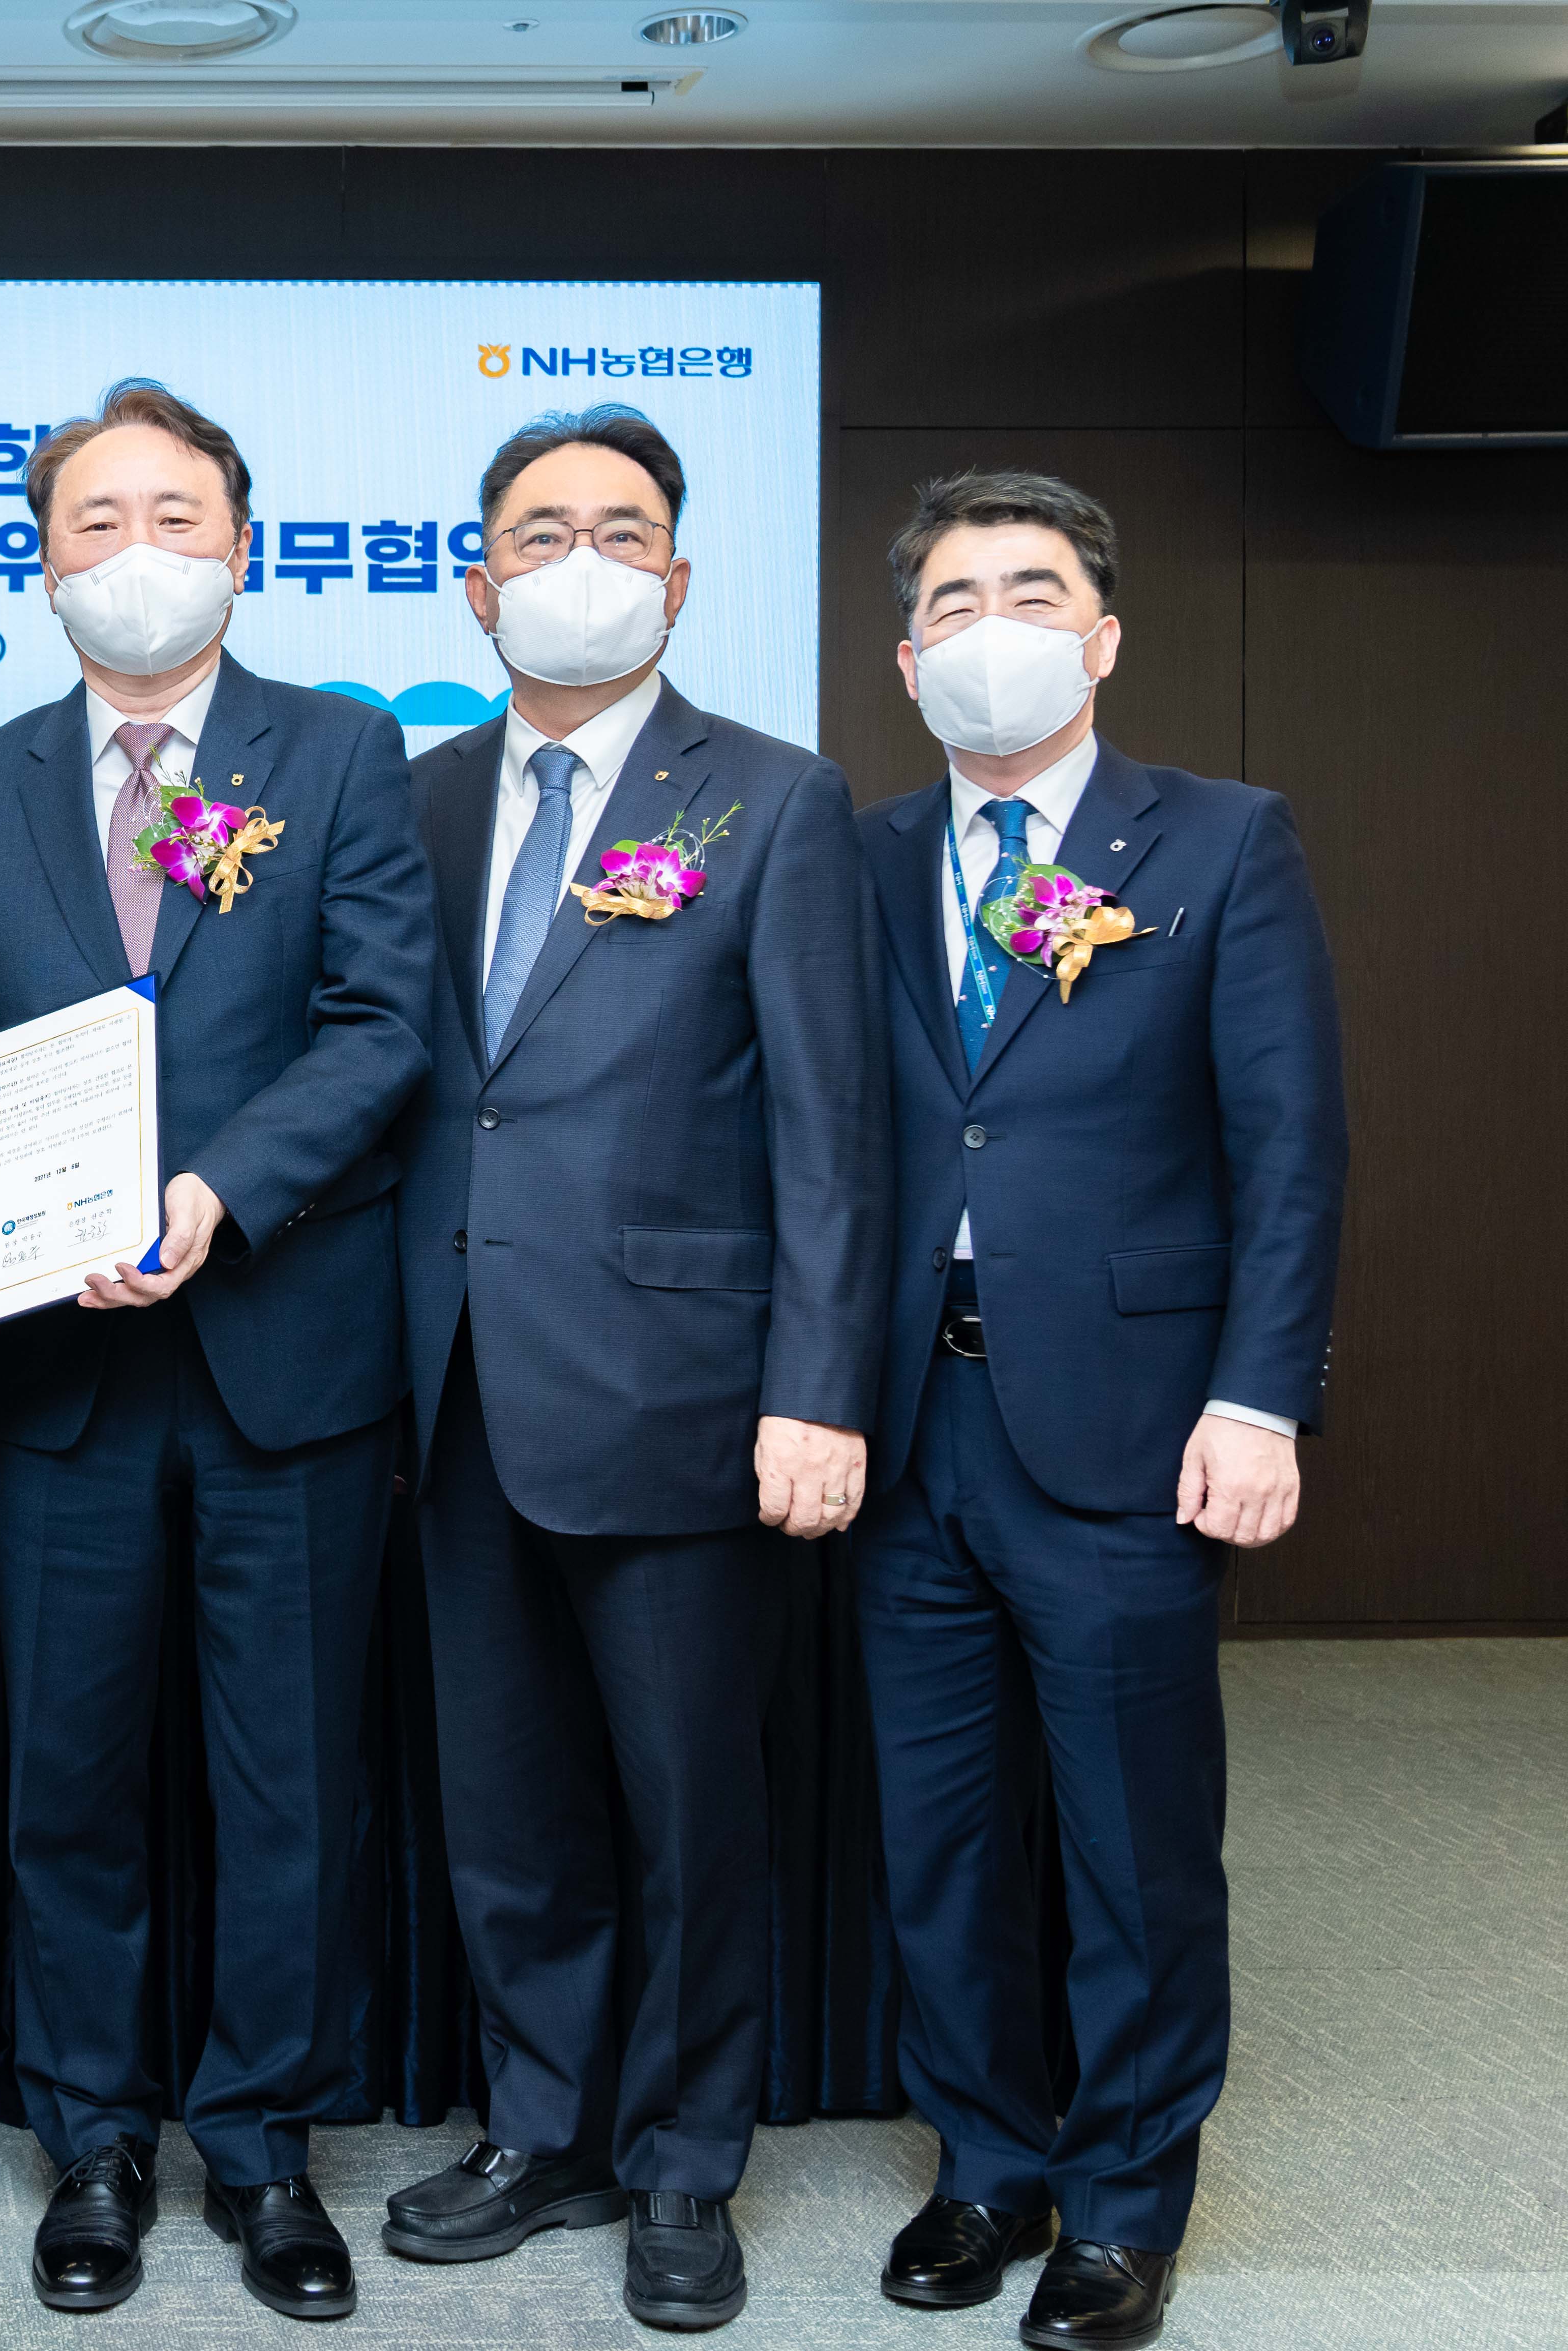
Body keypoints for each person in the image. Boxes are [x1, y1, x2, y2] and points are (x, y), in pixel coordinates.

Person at [0, 381, 436, 2323]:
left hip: (284, 1352)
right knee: (68, 1778)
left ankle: (268, 2147)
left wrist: (217, 1195)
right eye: (93, 517)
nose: (133, 548)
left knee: (286, 1779)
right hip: (53, 1382)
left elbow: (380, 1028)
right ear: (42, 556)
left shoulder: (342, 748)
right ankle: (95, 2143)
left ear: (241, 540)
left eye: (173, 512)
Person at [383, 404, 888, 2333]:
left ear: (675, 580)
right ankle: (545, 2126)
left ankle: (684, 2160)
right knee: (506, 1804)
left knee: (688, 1806)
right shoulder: (417, 800)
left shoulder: (767, 797)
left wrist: (817, 1388)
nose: (575, 561)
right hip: (448, 1394)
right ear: (476, 576)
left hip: (683, 1395)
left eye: (618, 531)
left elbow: (835, 1131)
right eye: (537, 530)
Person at [855, 472, 1343, 2351]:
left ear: (1102, 633)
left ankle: (1127, 2199)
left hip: (1135, 1424)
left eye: (1030, 590)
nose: (996, 626)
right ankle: (984, 2160)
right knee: (938, 1831)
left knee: (1134, 1839)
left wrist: (1257, 1398)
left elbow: (1288, 1151)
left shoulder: (1218, 843)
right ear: (908, 662)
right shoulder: (865, 853)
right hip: (906, 1422)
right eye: (957, 601)